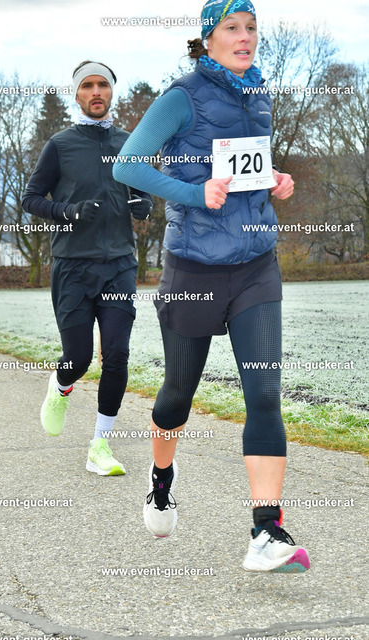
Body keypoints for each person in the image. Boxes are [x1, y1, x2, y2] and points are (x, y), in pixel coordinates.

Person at [113, 1, 310, 572]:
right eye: (232, 28)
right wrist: (194, 194)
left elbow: (245, 169)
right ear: (208, 38)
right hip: (194, 269)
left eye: (252, 28)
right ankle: (161, 479)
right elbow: (127, 165)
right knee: (177, 395)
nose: (245, 37)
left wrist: (274, 181)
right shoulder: (182, 97)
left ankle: (266, 530)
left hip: (255, 264)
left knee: (265, 393)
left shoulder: (259, 96)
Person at [22, 60, 152, 476]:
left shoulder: (130, 142)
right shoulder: (60, 144)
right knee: (78, 359)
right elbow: (31, 198)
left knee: (116, 355)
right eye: (88, 86)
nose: (96, 92)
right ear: (77, 94)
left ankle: (100, 444)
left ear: (111, 92)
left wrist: (144, 204)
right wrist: (68, 211)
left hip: (119, 264)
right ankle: (61, 385)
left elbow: (143, 192)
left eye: (103, 85)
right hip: (73, 267)